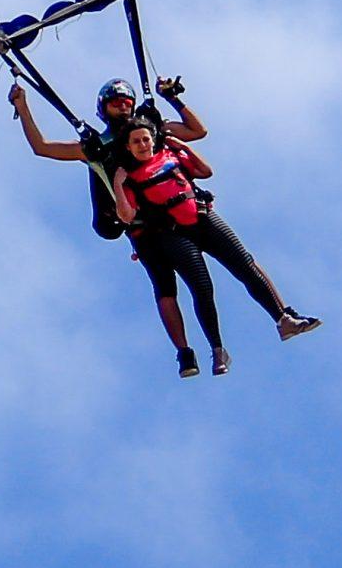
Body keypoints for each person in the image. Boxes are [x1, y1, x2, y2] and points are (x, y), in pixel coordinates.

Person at [10, 74, 319, 376]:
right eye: (115, 103)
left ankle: (283, 318)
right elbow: (43, 147)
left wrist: (173, 99)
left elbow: (197, 132)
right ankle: (192, 351)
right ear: (103, 109)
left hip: (192, 210)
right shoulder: (96, 147)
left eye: (126, 101)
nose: (123, 107)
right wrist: (23, 107)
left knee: (244, 263)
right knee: (181, 287)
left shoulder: (152, 130)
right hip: (155, 229)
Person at [111, 116, 321, 376]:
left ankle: (283, 319)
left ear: (153, 139)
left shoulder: (170, 156)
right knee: (202, 287)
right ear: (128, 147)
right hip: (175, 233)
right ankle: (218, 350)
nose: (143, 144)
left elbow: (205, 172)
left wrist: (182, 146)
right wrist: (118, 185)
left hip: (204, 218)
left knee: (245, 265)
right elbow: (127, 216)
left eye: (145, 139)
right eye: (136, 142)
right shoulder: (130, 177)